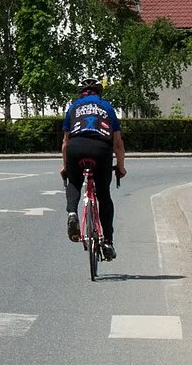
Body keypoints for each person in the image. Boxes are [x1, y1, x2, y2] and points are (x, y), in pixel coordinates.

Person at [61, 79, 125, 259]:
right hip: (101, 148)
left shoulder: (73, 107)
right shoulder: (107, 108)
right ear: (99, 93)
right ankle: (108, 242)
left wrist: (65, 166)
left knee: (74, 181)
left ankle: (72, 212)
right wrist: (120, 166)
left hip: (76, 146)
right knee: (104, 195)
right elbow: (118, 143)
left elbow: (65, 142)